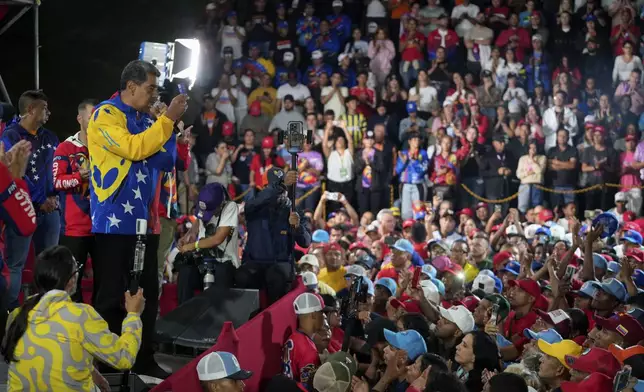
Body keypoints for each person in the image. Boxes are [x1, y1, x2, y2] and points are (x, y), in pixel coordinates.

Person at [87, 60, 188, 377]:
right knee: (111, 295)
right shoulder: (105, 115)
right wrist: (167, 120)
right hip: (113, 222)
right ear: (131, 87)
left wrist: (165, 126)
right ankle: (107, 365)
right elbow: (134, 148)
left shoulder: (145, 118)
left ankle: (143, 360)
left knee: (148, 294)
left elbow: (166, 157)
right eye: (151, 88)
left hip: (147, 221)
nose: (155, 94)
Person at [1, 246, 145, 392]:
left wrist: (91, 371)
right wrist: (133, 314)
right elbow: (124, 358)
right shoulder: (81, 316)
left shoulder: (18, 314)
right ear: (71, 280)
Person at [2, 90, 60, 310]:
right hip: (22, 209)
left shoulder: (51, 137)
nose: (49, 112)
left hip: (50, 211)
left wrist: (54, 197)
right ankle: (8, 314)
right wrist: (38, 199)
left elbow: (57, 171)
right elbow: (14, 173)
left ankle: (46, 311)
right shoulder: (11, 136)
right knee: (15, 264)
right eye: (44, 108)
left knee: (50, 265)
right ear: (30, 109)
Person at [236, 167, 311, 304]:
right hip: (255, 262)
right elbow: (256, 202)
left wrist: (297, 227)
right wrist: (278, 186)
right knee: (241, 276)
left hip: (281, 263)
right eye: (274, 187)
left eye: (284, 188)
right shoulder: (253, 207)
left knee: (276, 276)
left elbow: (306, 242)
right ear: (264, 188)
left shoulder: (294, 211)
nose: (281, 192)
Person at [53, 99, 96, 303]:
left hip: (103, 226)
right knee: (72, 284)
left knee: (105, 281)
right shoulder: (65, 148)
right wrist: (80, 178)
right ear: (80, 118)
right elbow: (56, 182)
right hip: (75, 228)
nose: (95, 120)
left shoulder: (106, 145)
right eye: (91, 115)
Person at [177, 183, 240, 302]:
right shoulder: (204, 205)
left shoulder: (230, 207)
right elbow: (199, 220)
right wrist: (187, 236)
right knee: (185, 272)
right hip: (203, 260)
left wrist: (193, 245)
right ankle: (184, 315)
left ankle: (218, 318)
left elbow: (217, 239)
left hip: (224, 263)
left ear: (220, 204)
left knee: (222, 273)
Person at [282, 292, 325, 388]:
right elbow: (309, 387)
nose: (323, 316)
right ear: (313, 315)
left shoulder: (293, 337)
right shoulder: (308, 348)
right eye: (321, 312)